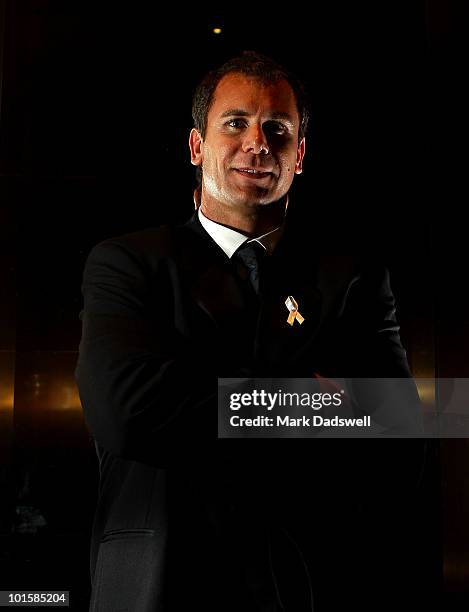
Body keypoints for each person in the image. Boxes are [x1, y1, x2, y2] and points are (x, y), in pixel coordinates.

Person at [75, 51, 425, 612]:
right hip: (159, 578)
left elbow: (399, 437)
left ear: (300, 154)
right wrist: (309, 404)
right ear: (197, 147)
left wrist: (198, 398)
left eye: (277, 129)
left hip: (307, 577)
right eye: (235, 123)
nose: (257, 142)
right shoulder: (127, 263)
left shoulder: (354, 280)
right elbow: (126, 411)